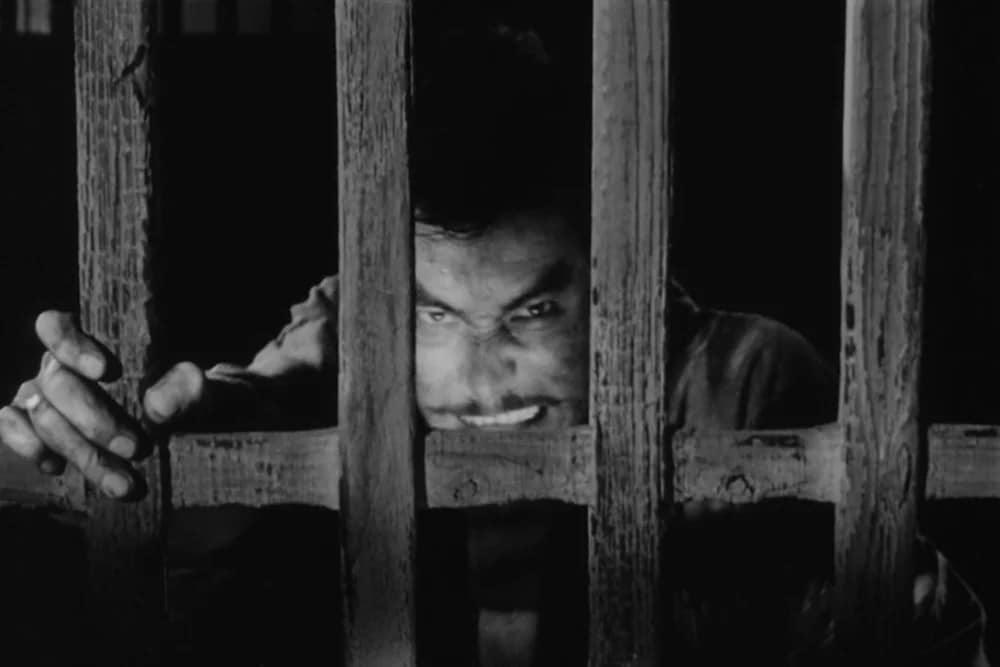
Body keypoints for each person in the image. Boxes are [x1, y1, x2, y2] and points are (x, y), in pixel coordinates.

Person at [0, 22, 989, 667]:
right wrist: (112, 433)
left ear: (624, 279)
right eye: (436, 315)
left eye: (532, 312)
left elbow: (929, 635)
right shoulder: (354, 327)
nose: (478, 382)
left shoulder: (741, 382)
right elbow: (251, 403)